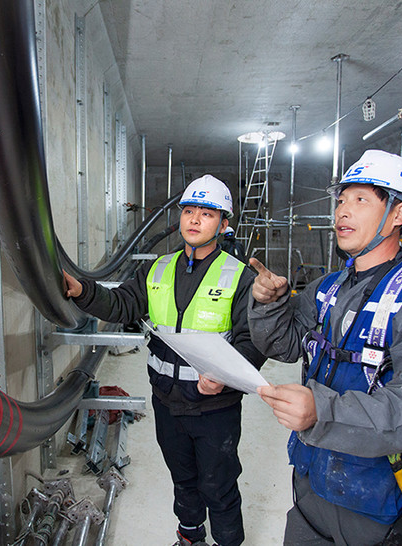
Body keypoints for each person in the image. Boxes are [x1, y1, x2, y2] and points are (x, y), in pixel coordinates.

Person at [246, 150, 402, 545]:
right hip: (312, 482)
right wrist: (270, 304)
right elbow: (283, 344)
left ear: (399, 213)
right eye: (341, 200)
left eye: (360, 199)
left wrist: (324, 411)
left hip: (379, 498)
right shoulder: (328, 288)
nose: (343, 211)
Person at [64, 174, 266, 546]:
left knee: (218, 485)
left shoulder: (240, 277)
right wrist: (83, 291)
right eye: (189, 211)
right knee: (183, 480)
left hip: (214, 407)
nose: (194, 219)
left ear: (223, 224)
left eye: (207, 214)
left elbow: (251, 340)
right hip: (167, 401)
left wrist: (225, 376)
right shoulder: (157, 269)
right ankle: (189, 537)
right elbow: (122, 303)